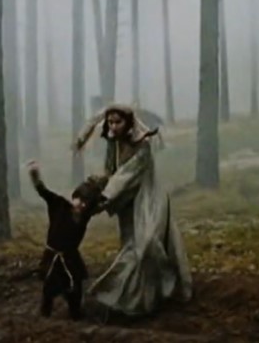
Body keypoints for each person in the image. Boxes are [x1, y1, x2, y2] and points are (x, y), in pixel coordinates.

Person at [73, 104, 193, 317]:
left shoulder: (143, 144)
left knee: (149, 244)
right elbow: (111, 171)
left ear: (128, 122)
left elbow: (128, 173)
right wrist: (93, 187)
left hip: (149, 199)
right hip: (127, 202)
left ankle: (164, 289)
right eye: (110, 122)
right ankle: (132, 300)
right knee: (132, 248)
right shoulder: (113, 141)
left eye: (118, 122)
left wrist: (106, 195)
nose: (113, 126)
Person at [26, 160, 107, 320]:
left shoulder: (85, 216)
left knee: (75, 290)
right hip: (54, 257)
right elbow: (43, 191)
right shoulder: (59, 204)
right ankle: (44, 318)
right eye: (80, 200)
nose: (81, 205)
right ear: (75, 196)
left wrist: (104, 182)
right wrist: (35, 175)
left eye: (86, 203)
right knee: (49, 289)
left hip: (70, 258)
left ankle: (76, 316)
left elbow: (103, 203)